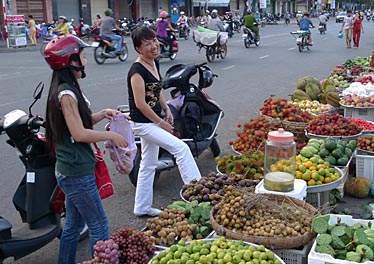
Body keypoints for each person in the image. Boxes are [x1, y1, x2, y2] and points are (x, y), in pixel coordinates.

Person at [43, 35, 128, 264]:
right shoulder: (66, 94)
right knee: (99, 225)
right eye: (82, 57)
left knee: (72, 226)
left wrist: (102, 114)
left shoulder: (65, 89)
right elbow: (79, 134)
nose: (86, 61)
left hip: (70, 172)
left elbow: (77, 125)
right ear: (70, 62)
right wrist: (112, 135)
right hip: (76, 174)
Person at [128, 26, 201, 217]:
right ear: (138, 49)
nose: (154, 46)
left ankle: (142, 207)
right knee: (181, 148)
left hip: (153, 120)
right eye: (147, 44)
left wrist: (166, 108)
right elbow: (141, 104)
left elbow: (157, 88)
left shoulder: (154, 62)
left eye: (154, 41)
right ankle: (200, 198)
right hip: (143, 124)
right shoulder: (136, 71)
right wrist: (162, 124)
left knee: (148, 164)